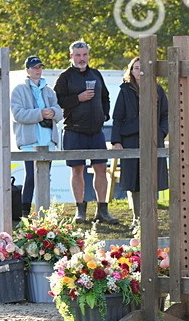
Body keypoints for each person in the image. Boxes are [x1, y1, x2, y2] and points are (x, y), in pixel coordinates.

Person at [54, 40, 115, 223]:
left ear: (88, 55)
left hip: (96, 132)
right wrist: (77, 98)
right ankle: (80, 211)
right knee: (77, 170)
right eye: (78, 55)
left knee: (101, 169)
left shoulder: (96, 74)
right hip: (74, 131)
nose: (82, 58)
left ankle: (102, 210)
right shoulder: (65, 77)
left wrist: (104, 115)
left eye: (84, 55)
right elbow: (58, 102)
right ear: (71, 56)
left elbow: (105, 96)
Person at [110, 57, 169, 224]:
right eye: (136, 68)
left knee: (152, 177)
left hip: (153, 140)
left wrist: (161, 132)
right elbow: (117, 118)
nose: (139, 71)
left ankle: (151, 218)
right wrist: (116, 141)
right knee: (134, 180)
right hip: (131, 139)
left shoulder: (157, 89)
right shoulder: (125, 90)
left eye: (142, 68)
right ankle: (137, 219)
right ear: (131, 70)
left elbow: (166, 115)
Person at [10, 55, 63, 218]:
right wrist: (40, 113)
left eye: (39, 67)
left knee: (45, 177)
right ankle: (25, 210)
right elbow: (17, 114)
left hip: (48, 140)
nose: (37, 70)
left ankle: (45, 211)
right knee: (32, 176)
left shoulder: (49, 91)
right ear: (27, 70)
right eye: (34, 67)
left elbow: (59, 112)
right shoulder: (19, 90)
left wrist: (52, 112)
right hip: (29, 141)